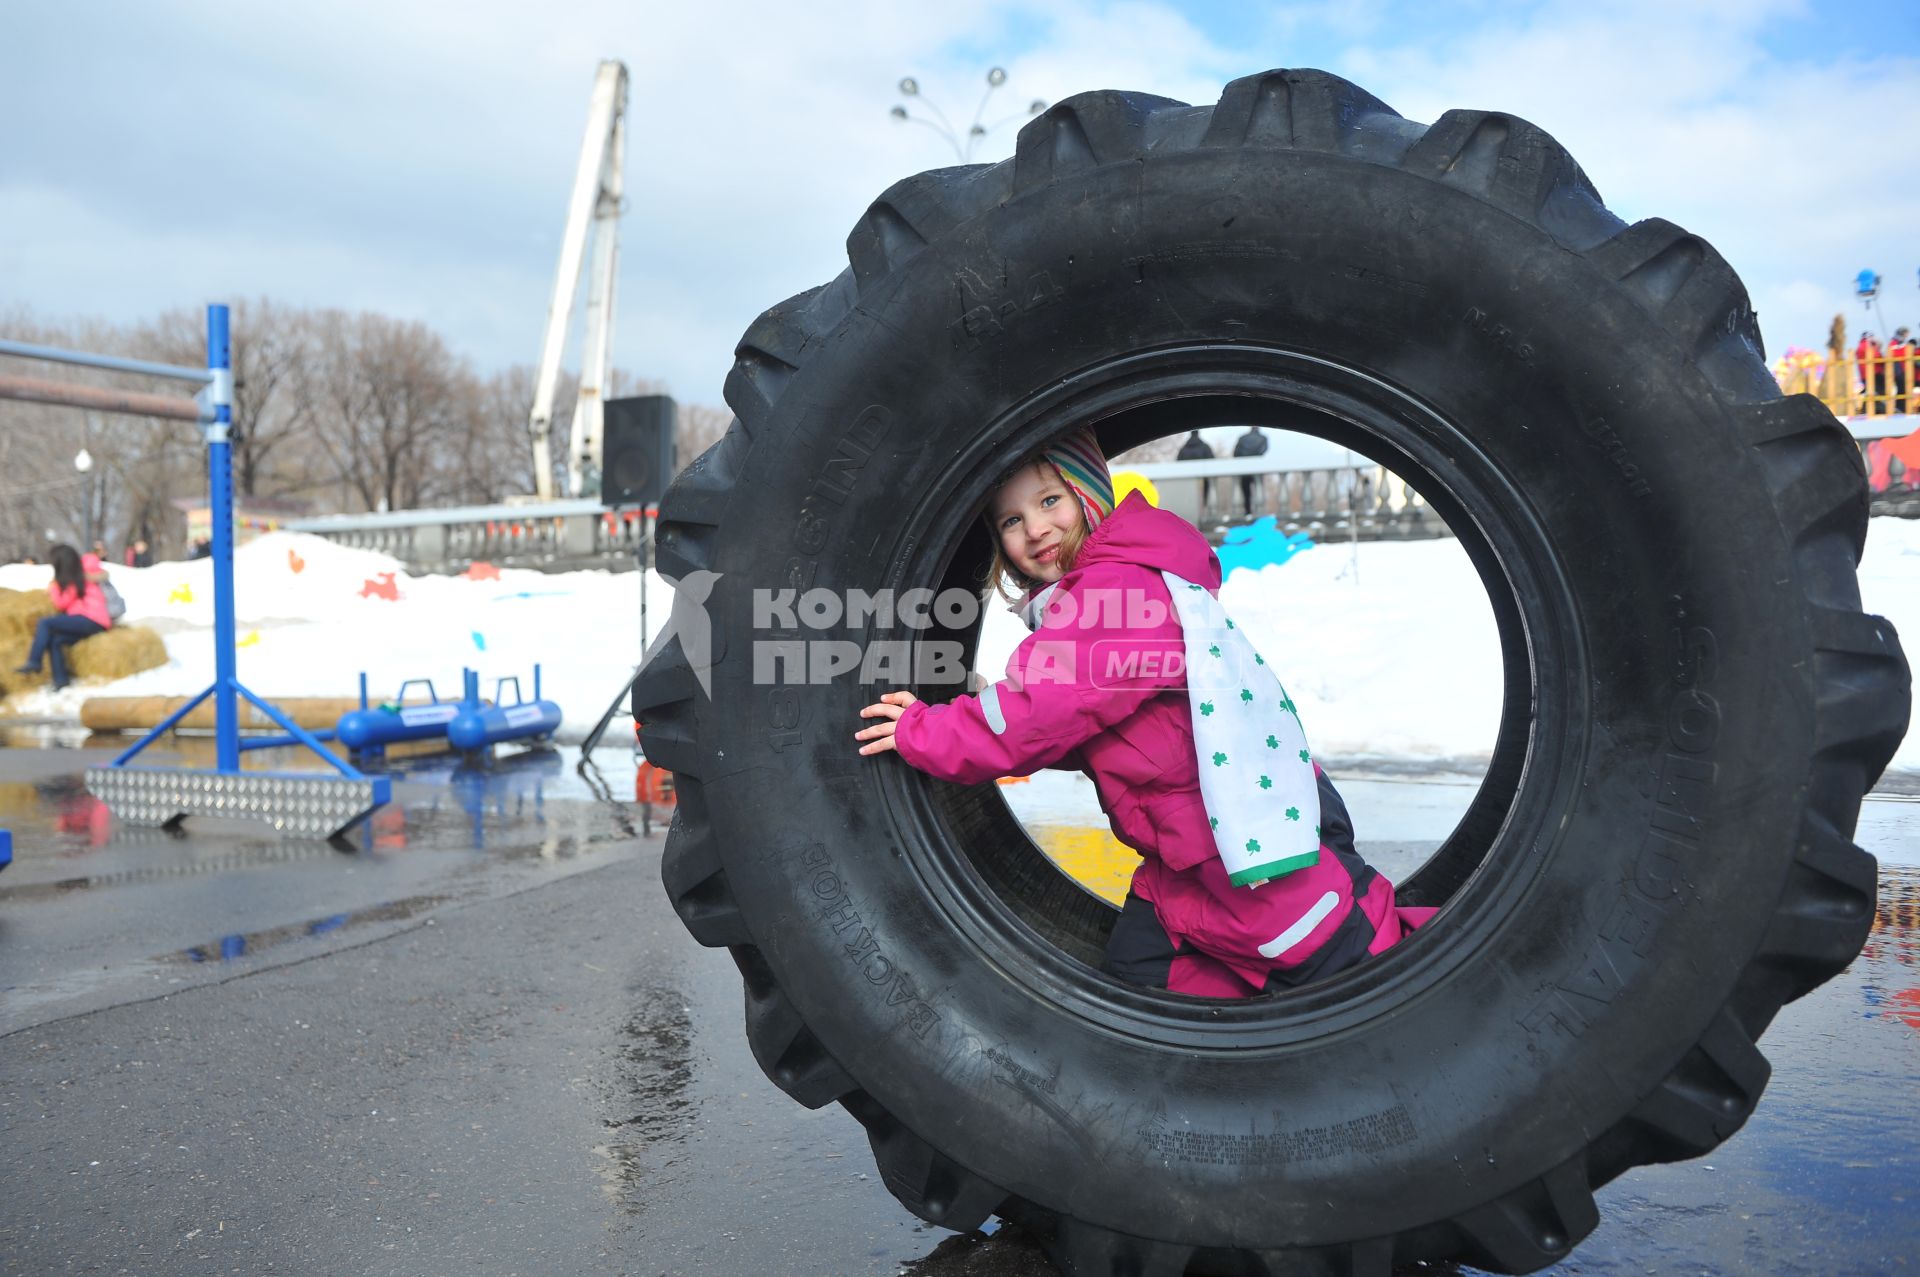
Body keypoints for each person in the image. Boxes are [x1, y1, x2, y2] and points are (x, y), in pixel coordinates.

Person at [855, 430, 1431, 998]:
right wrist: (979, 705)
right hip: (1185, 862)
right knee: (1141, 1001)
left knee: (1361, 979)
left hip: (1249, 848)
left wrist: (924, 733)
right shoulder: (1111, 589)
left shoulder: (1120, 591)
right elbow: (1084, 723)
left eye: (1050, 500)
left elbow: (1038, 713)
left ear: (1090, 496)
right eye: (1010, 521)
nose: (1034, 529)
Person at [15, 543, 113, 691]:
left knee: (45, 623)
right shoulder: (81, 575)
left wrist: (53, 589)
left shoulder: (75, 579)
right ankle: (61, 681)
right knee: (56, 640)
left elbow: (62, 603)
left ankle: (34, 660)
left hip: (91, 620)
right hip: (93, 622)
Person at [1176, 429, 1216, 518]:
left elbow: (1178, 463)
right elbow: (1212, 460)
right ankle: (1203, 512)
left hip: (1187, 481)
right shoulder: (1205, 447)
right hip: (1204, 478)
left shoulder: (1183, 449)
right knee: (1204, 494)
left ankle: (1188, 514)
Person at [1232, 425, 1269, 517]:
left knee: (1246, 492)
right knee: (1258, 489)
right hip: (1257, 468)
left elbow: (1236, 453)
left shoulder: (1242, 438)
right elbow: (1263, 450)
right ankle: (1259, 511)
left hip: (1244, 469)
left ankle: (1248, 511)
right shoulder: (1263, 438)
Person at [1891, 328, 1913, 415]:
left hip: (1902, 370)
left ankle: (1902, 407)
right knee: (1902, 389)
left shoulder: (1900, 343)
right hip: (1898, 370)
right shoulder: (1896, 343)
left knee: (1903, 389)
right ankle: (1900, 407)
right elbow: (1896, 353)